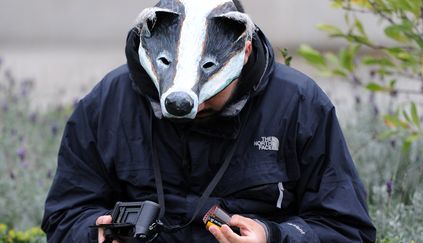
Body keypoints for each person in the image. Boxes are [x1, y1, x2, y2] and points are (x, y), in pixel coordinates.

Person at [41, 0, 376, 242]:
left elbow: (348, 230)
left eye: (208, 86)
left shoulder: (299, 105)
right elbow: (64, 215)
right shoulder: (109, 103)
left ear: (244, 53)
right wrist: (93, 232)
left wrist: (274, 236)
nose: (190, 106)